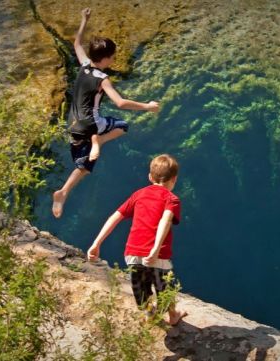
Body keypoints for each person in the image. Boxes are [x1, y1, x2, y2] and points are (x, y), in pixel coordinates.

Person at [52, 8, 160, 218]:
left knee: (82, 164)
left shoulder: (84, 65)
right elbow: (120, 103)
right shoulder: (103, 79)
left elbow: (76, 44)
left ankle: (64, 191)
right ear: (105, 58)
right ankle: (97, 142)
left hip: (73, 124)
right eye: (112, 57)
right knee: (122, 127)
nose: (113, 60)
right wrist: (147, 106)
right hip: (92, 124)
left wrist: (84, 20)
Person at [87, 154, 187, 325]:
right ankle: (172, 315)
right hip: (158, 256)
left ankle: (149, 315)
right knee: (165, 286)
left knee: (141, 290)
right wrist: (155, 249)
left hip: (132, 252)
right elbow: (165, 220)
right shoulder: (172, 199)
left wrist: (96, 243)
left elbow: (115, 217)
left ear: (150, 177)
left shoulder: (139, 194)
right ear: (174, 179)